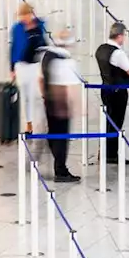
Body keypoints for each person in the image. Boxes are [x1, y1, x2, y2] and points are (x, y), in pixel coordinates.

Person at [41, 30, 81, 182]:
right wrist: (76, 106)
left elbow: (40, 79)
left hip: (48, 101)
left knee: (53, 133)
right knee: (62, 138)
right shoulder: (65, 60)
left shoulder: (47, 55)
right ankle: (61, 171)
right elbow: (70, 87)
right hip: (60, 105)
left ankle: (58, 166)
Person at [96, 22, 129, 164]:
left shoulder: (101, 49)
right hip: (118, 92)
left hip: (105, 88)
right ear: (119, 35)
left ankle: (105, 151)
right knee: (116, 122)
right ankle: (111, 154)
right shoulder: (118, 53)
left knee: (108, 120)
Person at [9, 3, 46, 135]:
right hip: (21, 65)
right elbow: (13, 47)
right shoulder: (17, 28)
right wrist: (12, 68)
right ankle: (28, 124)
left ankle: (40, 122)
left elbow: (43, 45)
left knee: (35, 95)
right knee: (24, 96)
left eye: (26, 15)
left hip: (34, 66)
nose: (24, 18)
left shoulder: (39, 26)